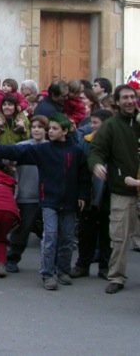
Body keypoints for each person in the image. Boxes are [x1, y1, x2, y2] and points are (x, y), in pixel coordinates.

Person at [0, 113, 90, 291]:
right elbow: (19, 151)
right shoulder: (43, 149)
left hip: (69, 202)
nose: (50, 132)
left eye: (54, 128)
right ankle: (47, 273)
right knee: (50, 236)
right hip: (49, 200)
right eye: (49, 128)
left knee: (67, 238)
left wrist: (82, 195)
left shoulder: (76, 152)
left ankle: (63, 270)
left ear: (65, 131)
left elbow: (83, 176)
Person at [87, 84, 140, 294]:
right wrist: (97, 164)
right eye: (125, 98)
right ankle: (117, 276)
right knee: (119, 236)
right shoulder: (111, 126)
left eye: (132, 97)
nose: (129, 101)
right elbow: (96, 150)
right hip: (122, 190)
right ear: (117, 102)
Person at [71, 109, 113, 280]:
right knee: (85, 231)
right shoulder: (86, 142)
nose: (92, 126)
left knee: (106, 232)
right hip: (89, 193)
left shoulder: (114, 142)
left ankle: (105, 266)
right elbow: (79, 167)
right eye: (92, 122)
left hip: (108, 194)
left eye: (96, 123)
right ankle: (83, 264)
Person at [5, 115, 48, 273]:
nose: (36, 129)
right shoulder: (22, 146)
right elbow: (8, 162)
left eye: (40, 127)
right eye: (34, 126)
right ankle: (12, 258)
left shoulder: (51, 147)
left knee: (50, 232)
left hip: (48, 195)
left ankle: (52, 263)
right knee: (23, 230)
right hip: (27, 195)